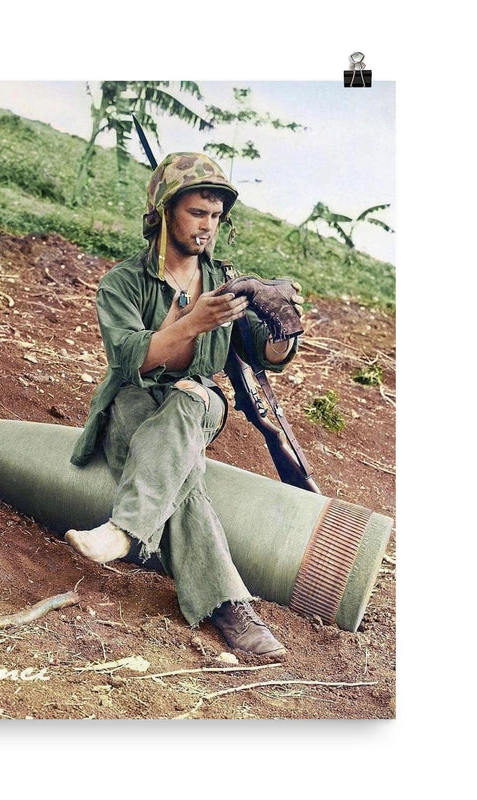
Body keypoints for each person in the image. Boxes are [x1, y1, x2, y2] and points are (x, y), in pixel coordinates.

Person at [67, 152, 302, 657]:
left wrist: (285, 330)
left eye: (215, 216)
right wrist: (193, 322)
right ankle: (231, 609)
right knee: (184, 474)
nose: (207, 226)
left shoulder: (227, 283)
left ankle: (125, 528)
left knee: (188, 399)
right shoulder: (123, 282)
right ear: (164, 212)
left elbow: (266, 353)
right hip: (132, 401)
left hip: (199, 402)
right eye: (197, 212)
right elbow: (130, 358)